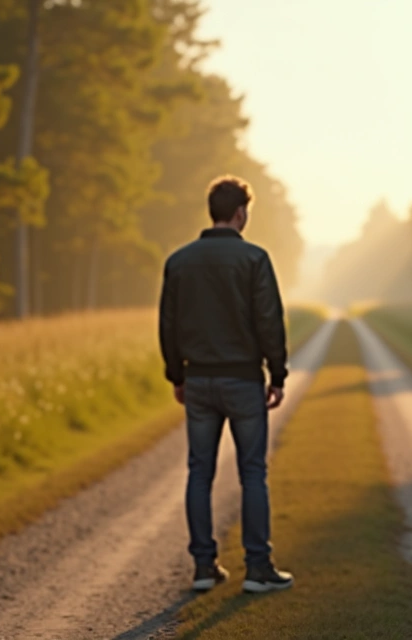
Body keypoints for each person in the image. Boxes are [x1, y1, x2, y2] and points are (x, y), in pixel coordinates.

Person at [158, 175, 295, 594]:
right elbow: (269, 321)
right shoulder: (255, 259)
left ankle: (203, 566)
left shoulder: (179, 261)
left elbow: (168, 325)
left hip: (198, 379)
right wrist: (277, 375)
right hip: (243, 380)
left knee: (199, 472)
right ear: (240, 213)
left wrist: (177, 375)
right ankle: (258, 568)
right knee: (252, 472)